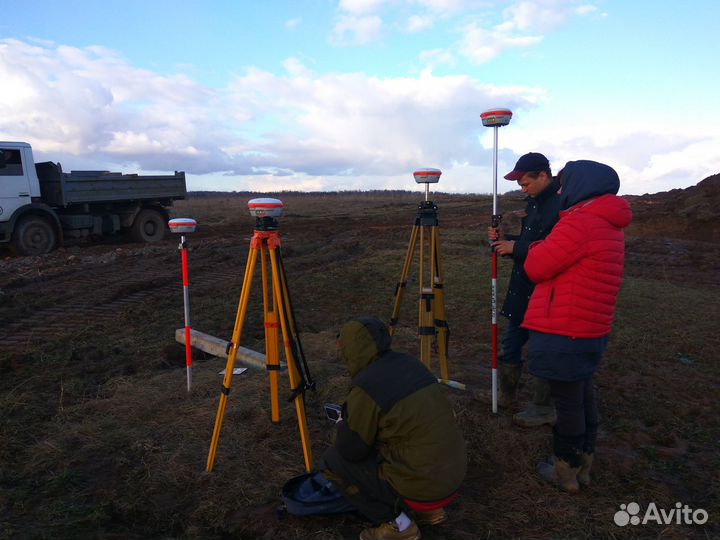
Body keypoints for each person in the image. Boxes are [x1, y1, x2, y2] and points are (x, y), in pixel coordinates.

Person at [522, 160, 632, 492]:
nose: (559, 189)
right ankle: (584, 463)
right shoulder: (608, 222)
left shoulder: (580, 223)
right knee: (582, 396)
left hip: (564, 329)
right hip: (589, 328)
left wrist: (538, 246)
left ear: (580, 185)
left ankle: (565, 470)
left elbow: (537, 266)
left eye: (563, 183)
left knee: (568, 403)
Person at [322, 317, 467, 540]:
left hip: (423, 485)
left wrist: (343, 424)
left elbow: (351, 450)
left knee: (334, 460)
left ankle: (398, 525)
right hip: (454, 475)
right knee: (403, 440)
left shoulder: (367, 385)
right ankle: (430, 512)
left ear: (351, 350)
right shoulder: (411, 363)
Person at [481, 152, 561, 427]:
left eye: (526, 183)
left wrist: (517, 247)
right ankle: (507, 395)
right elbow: (531, 242)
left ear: (543, 175)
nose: (521, 188)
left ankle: (543, 408)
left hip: (545, 292)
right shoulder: (535, 203)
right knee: (511, 342)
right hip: (521, 287)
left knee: (542, 350)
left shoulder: (562, 206)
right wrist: (506, 241)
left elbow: (556, 250)